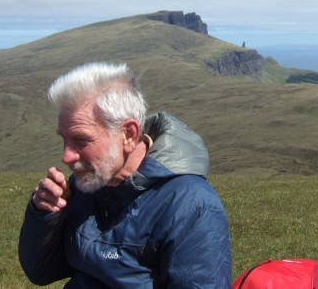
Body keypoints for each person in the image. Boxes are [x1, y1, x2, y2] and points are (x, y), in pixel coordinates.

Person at [18, 62, 232, 288]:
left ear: (129, 135)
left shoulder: (190, 205)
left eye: (81, 140)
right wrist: (45, 214)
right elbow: (40, 272)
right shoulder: (87, 185)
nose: (66, 157)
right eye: (64, 139)